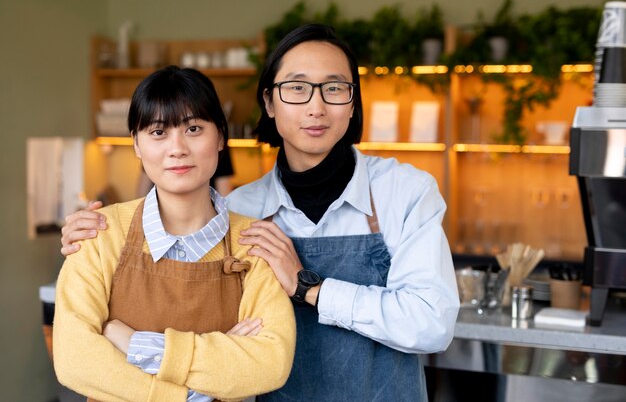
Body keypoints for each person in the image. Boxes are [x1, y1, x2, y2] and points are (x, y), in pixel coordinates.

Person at [61, 24, 459, 401]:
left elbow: (432, 324)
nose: (316, 107)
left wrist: (310, 288)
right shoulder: (240, 214)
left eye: (334, 88)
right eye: (297, 88)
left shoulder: (404, 192)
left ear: (353, 102)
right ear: (268, 101)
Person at [53, 65, 295, 402]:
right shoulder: (99, 235)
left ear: (221, 137)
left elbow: (269, 364)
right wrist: (194, 392)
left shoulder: (254, 245)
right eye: (157, 133)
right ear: (136, 144)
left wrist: (135, 344)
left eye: (194, 128)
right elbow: (74, 360)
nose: (177, 148)